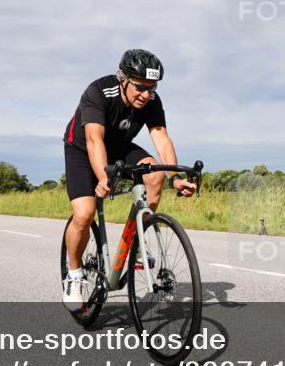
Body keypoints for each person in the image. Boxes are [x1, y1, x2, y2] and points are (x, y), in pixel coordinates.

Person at [61, 49, 196, 309]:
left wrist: (176, 177)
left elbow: (161, 138)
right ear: (123, 78)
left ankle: (136, 243)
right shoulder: (99, 92)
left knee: (155, 174)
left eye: (152, 88)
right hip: (81, 148)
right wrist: (103, 178)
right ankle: (74, 274)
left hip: (120, 147)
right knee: (84, 213)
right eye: (139, 87)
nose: (146, 95)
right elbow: (93, 139)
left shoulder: (151, 101)